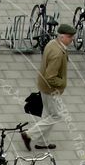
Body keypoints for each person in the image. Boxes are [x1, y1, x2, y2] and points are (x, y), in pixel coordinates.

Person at [21, 23, 76, 152]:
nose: (72, 39)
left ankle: (41, 142)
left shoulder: (52, 43)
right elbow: (50, 76)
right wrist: (62, 83)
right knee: (56, 116)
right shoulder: (57, 53)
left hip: (43, 86)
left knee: (47, 115)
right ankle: (29, 134)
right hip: (51, 89)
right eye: (69, 37)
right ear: (62, 37)